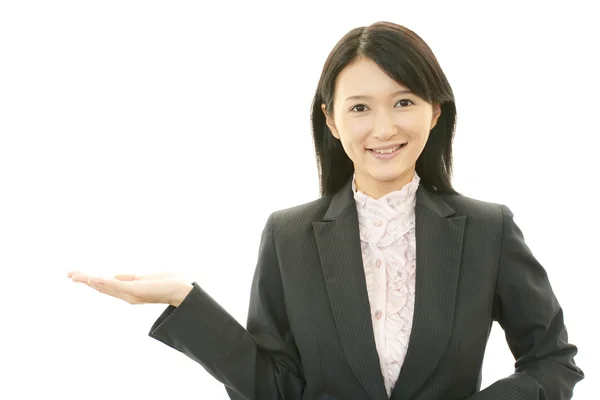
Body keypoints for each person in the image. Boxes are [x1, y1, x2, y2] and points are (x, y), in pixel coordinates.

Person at [67, 21, 584, 399]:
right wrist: (184, 299)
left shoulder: (488, 230)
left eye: (404, 102)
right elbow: (275, 388)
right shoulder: (290, 234)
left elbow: (552, 362)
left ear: (435, 110)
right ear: (332, 122)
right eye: (360, 107)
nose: (384, 129)